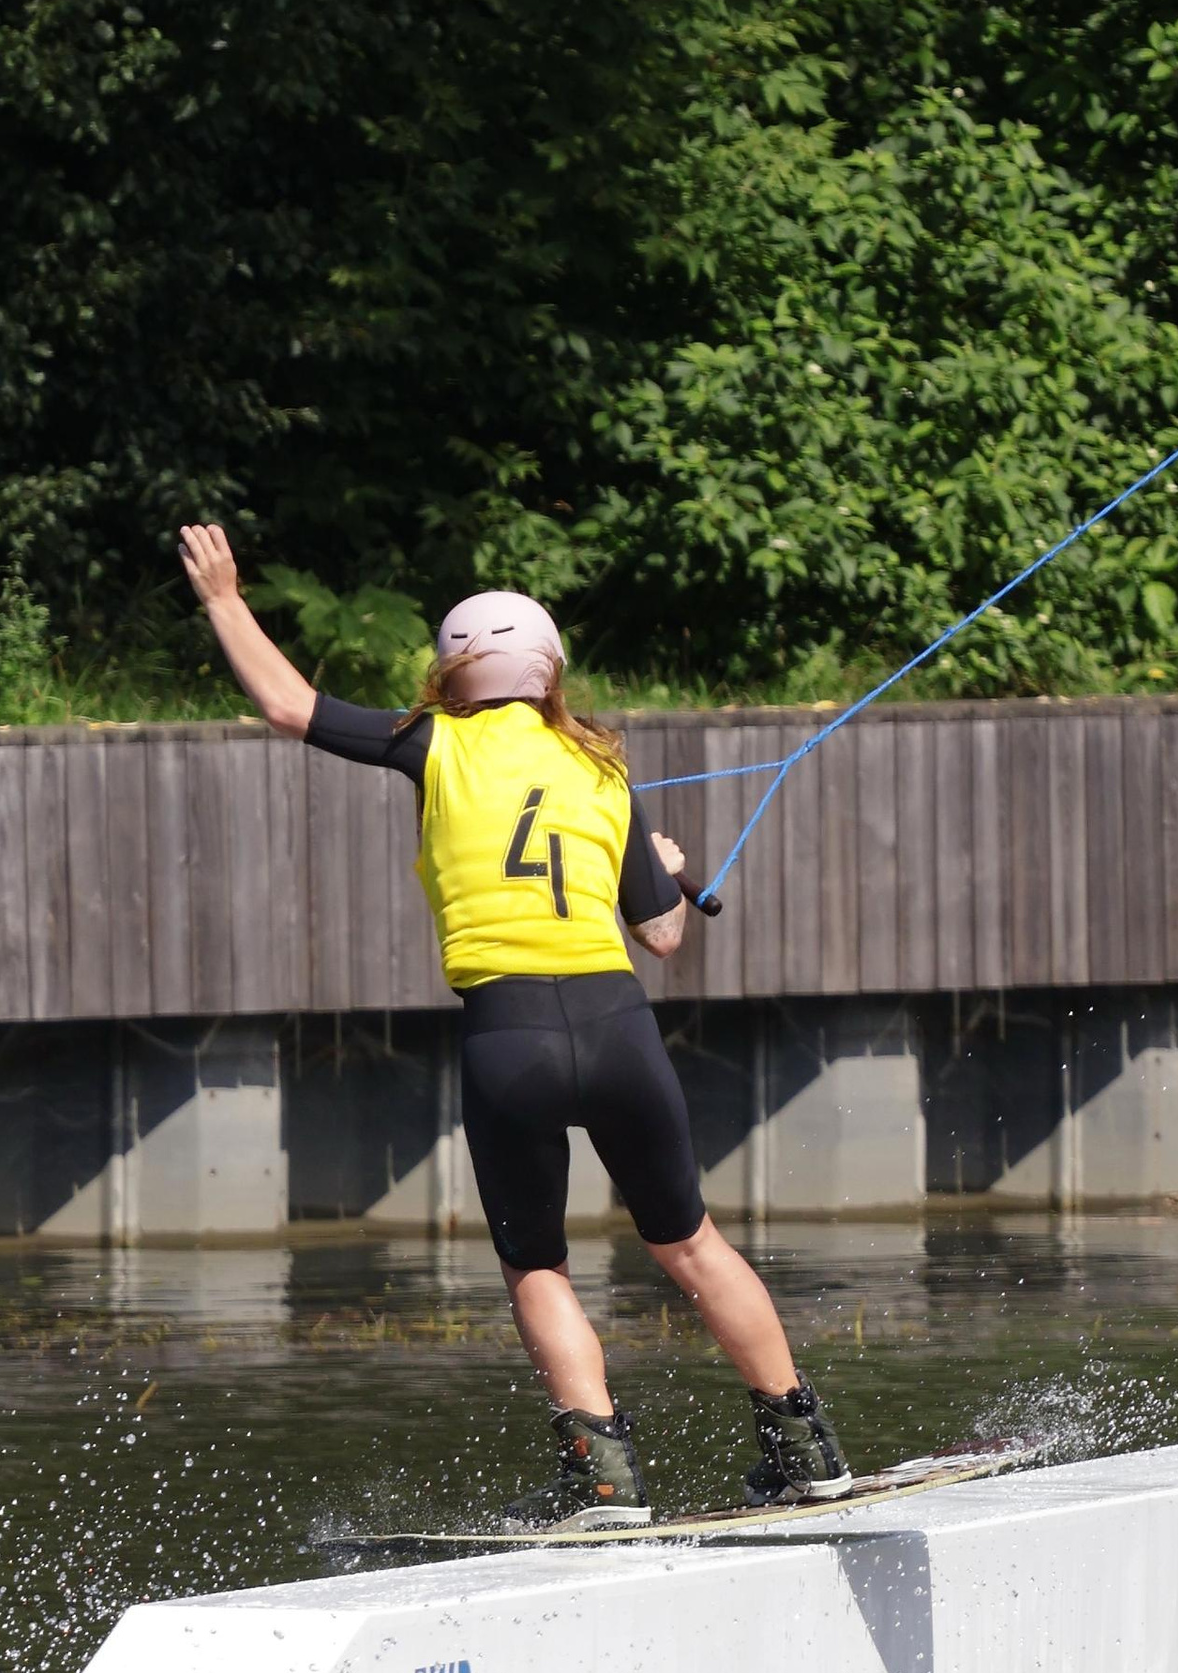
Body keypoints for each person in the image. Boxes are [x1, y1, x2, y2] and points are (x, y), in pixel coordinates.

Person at [178, 524, 851, 1533]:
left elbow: (286, 704)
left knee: (536, 1264)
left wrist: (226, 597)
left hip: (510, 1040)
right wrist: (662, 863)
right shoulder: (601, 769)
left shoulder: (431, 741)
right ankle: (805, 1451)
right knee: (690, 1242)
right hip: (617, 1027)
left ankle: (607, 1481)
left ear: (453, 673)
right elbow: (663, 937)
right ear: (548, 675)